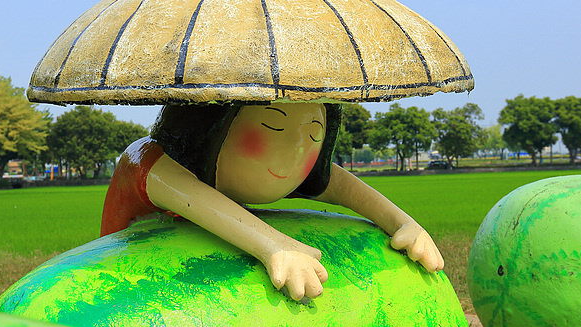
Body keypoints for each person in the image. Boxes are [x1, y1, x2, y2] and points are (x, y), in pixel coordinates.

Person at [102, 102, 444, 301]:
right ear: (212, 126)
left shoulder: (279, 171)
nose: (294, 150)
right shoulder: (147, 159)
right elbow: (193, 198)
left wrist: (405, 225)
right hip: (120, 285)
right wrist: (274, 246)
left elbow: (340, 184)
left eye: (313, 134)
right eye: (271, 127)